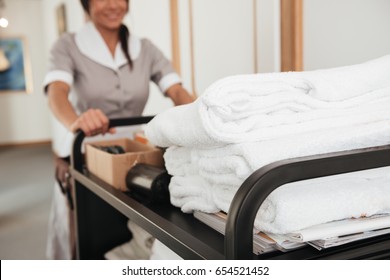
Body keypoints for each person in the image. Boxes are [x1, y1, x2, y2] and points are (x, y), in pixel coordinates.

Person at [43, 0, 194, 259]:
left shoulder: (145, 49)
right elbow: (56, 92)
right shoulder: (68, 45)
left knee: (138, 224)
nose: (113, 5)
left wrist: (202, 117)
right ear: (86, 4)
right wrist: (75, 121)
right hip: (88, 153)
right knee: (92, 235)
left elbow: (177, 90)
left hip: (135, 153)